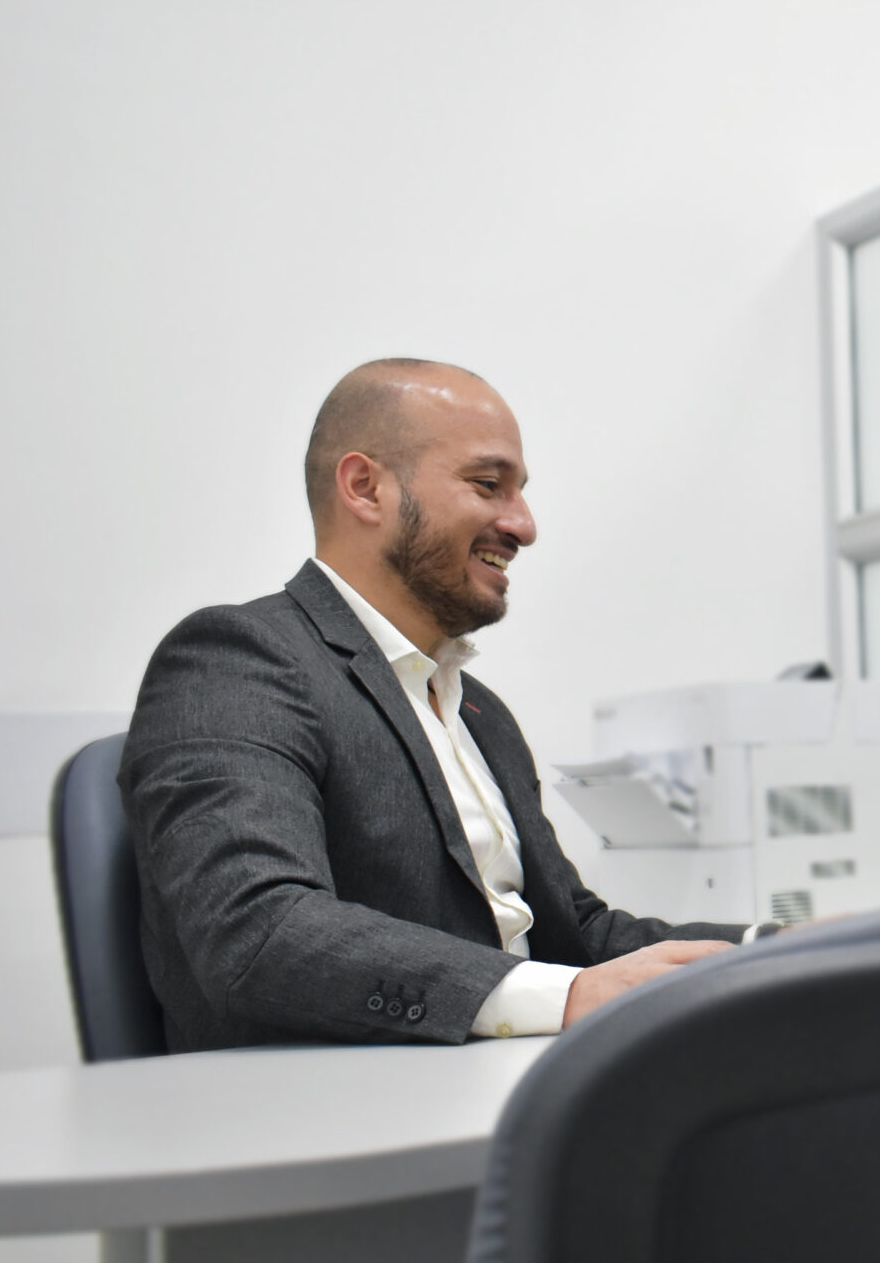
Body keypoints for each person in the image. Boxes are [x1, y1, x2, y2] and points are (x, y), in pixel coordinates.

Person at [122, 359, 747, 1053]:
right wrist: (564, 994)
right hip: (339, 1116)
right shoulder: (238, 660)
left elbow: (576, 931)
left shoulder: (478, 712)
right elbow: (259, 930)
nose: (525, 525)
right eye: (488, 485)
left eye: (521, 493)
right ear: (366, 488)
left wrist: (769, 949)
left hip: (516, 1079)